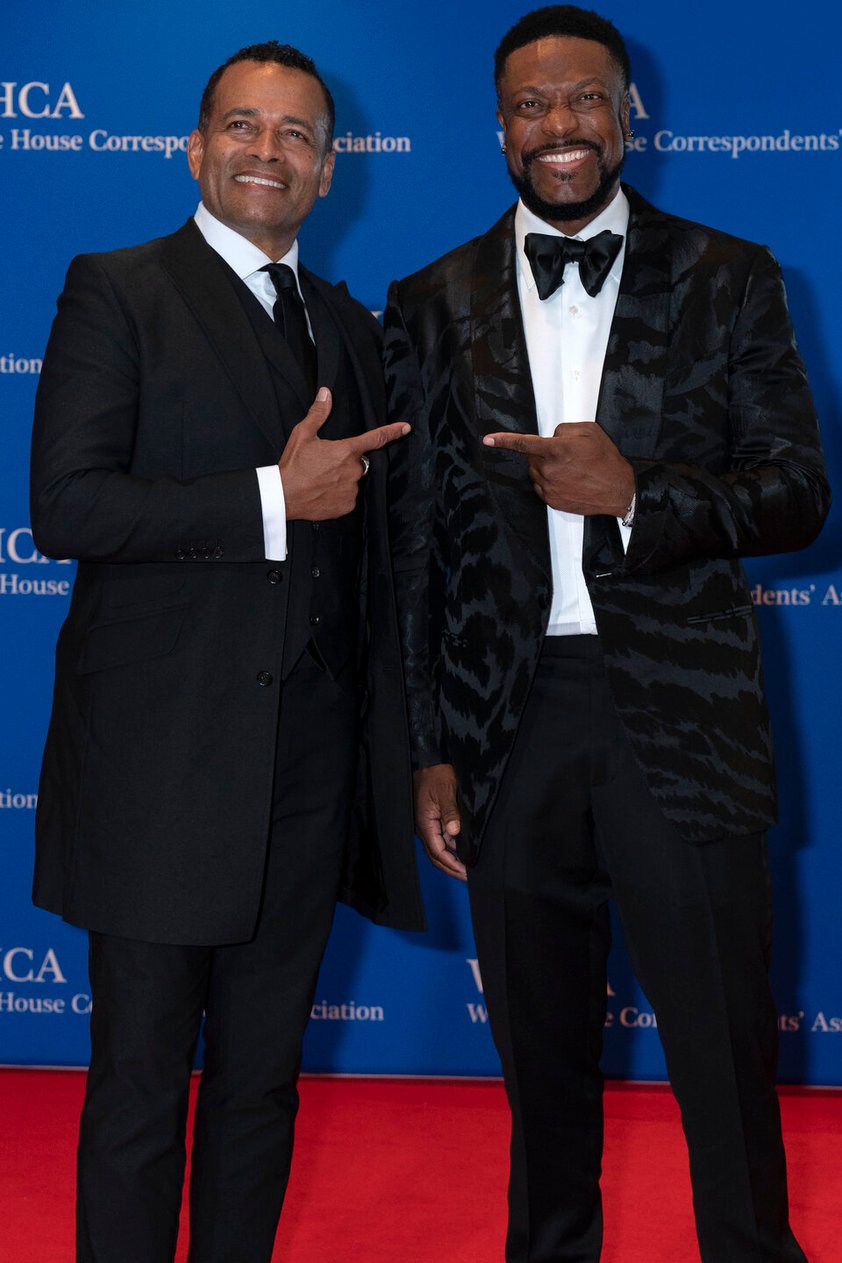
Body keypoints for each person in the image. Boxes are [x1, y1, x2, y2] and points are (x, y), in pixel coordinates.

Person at [384, 7, 829, 1261]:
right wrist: (430, 745)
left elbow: (797, 491)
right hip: (508, 730)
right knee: (540, 1066)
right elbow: (413, 545)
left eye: (582, 100)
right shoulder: (427, 300)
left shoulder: (730, 275)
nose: (558, 129)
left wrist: (640, 493)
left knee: (724, 1053)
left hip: (681, 722)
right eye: (529, 106)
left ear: (629, 112)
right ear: (497, 127)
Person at [30, 40, 423, 1263]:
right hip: (158, 774)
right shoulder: (117, 287)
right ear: (193, 149)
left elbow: (379, 574)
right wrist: (269, 499)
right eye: (242, 128)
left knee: (262, 1087)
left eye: (296, 134)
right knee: (143, 1091)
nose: (269, 151)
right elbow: (69, 509)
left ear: (327, 170)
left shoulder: (348, 329)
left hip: (304, 783)